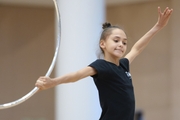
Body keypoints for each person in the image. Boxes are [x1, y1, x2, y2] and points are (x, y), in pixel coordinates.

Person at [35, 7, 173, 120]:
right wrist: (53, 82)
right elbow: (76, 75)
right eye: (116, 40)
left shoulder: (124, 64)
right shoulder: (102, 66)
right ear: (103, 44)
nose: (121, 45)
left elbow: (137, 48)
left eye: (124, 42)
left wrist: (158, 26)